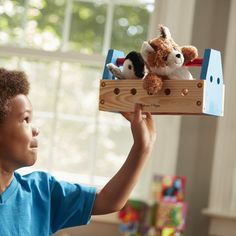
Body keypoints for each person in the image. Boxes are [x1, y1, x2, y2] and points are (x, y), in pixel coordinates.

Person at [0, 67, 156, 235]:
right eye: (25, 119)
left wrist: (142, 147)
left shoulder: (42, 191)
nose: (35, 130)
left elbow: (109, 200)